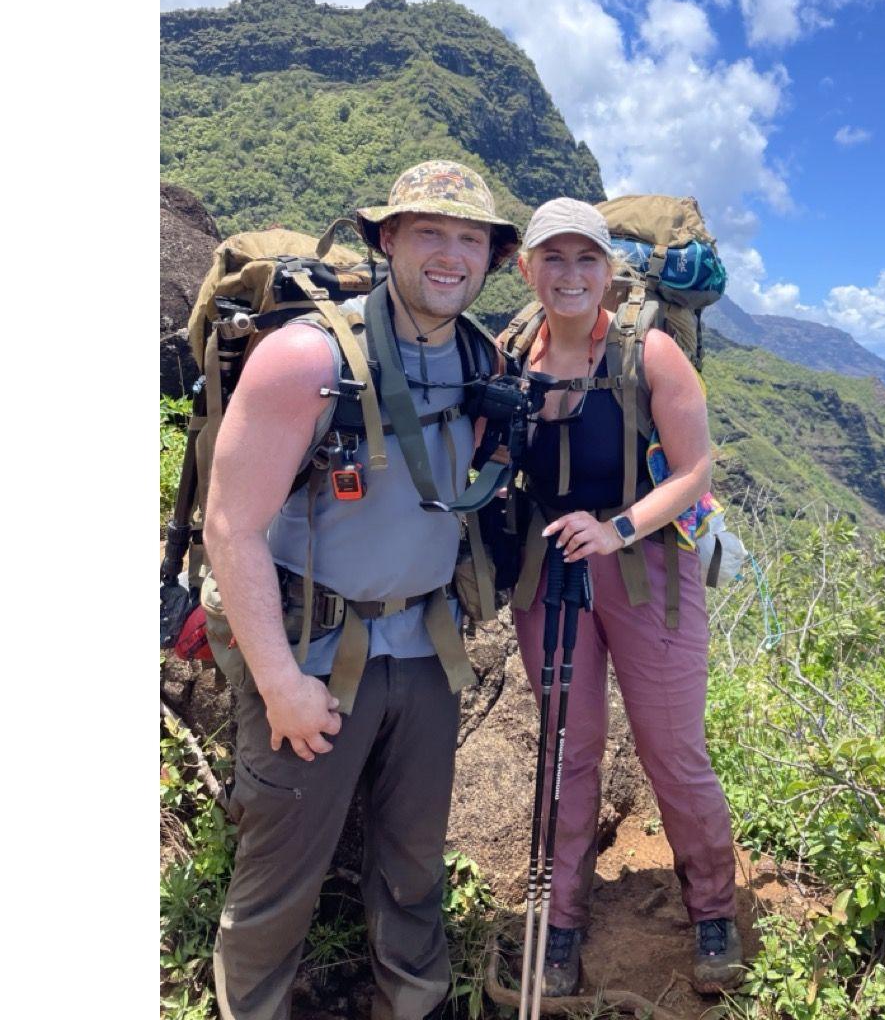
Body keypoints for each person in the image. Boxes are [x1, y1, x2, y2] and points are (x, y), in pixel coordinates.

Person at [202, 160, 520, 1020]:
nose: (451, 256)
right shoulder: (305, 359)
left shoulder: (483, 360)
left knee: (414, 870)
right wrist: (279, 685)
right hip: (315, 653)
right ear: (386, 240)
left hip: (426, 650)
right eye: (430, 233)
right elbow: (229, 527)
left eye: (471, 240)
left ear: (491, 258)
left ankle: (412, 1006)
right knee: (279, 882)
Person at [505, 197, 744, 997]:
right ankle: (562, 919)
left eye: (586, 259)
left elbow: (693, 470)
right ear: (525, 267)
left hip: (649, 573)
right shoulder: (511, 354)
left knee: (671, 749)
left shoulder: (652, 353)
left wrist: (617, 528)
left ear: (610, 272)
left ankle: (713, 908)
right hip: (551, 578)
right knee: (568, 751)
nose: (570, 274)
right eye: (553, 258)